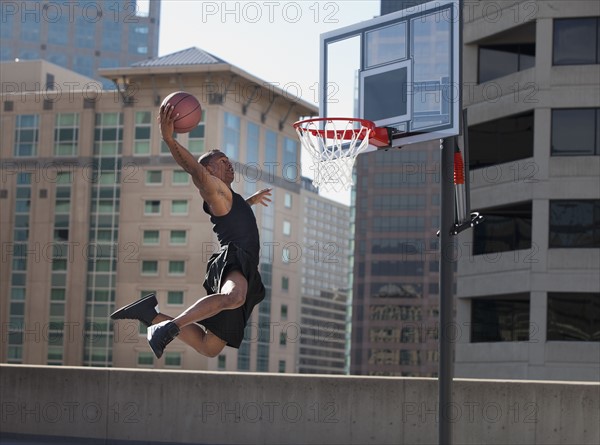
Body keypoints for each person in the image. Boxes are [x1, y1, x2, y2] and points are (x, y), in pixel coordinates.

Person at [111, 102, 272, 359]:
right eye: (222, 161)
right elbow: (193, 169)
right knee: (234, 297)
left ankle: (150, 315)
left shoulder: (230, 197)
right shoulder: (214, 189)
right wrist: (167, 138)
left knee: (210, 347)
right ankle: (170, 327)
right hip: (235, 258)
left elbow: (233, 215)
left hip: (247, 265)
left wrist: (250, 201)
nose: (228, 164)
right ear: (209, 171)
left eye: (228, 160)